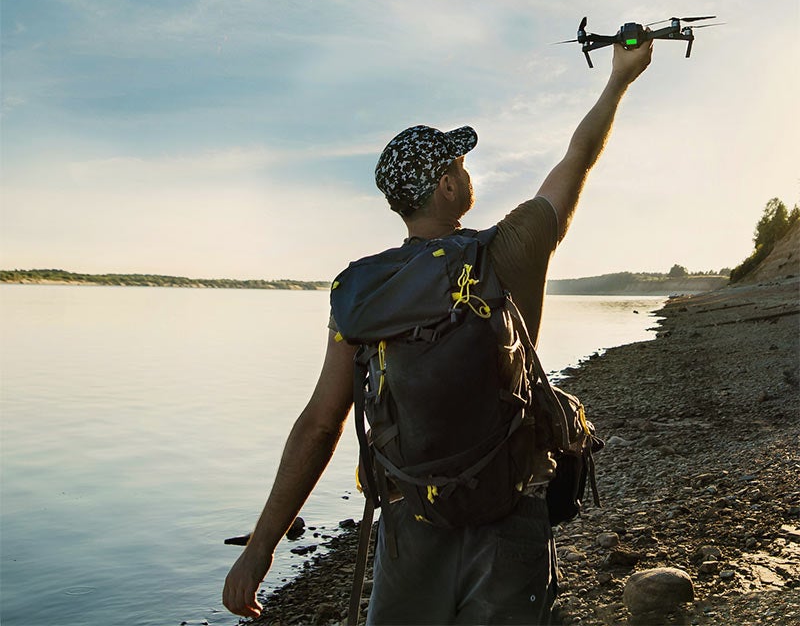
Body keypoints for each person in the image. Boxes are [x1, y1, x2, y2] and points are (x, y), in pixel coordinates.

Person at [223, 39, 654, 624]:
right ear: (448, 188)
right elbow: (578, 157)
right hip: (509, 516)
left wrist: (260, 548)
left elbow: (322, 422)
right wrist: (620, 79)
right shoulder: (507, 252)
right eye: (458, 164)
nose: (466, 171)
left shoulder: (359, 291)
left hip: (410, 521)